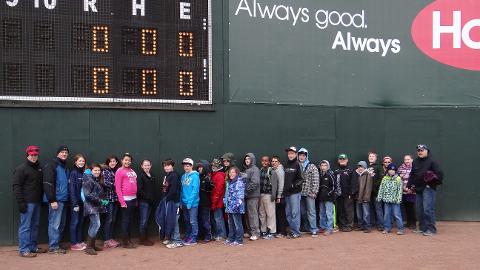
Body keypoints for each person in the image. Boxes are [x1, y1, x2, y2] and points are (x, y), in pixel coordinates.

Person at [12, 145, 46, 258]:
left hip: (37, 202)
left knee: (35, 226)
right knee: (25, 227)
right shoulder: (21, 169)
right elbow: (16, 186)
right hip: (27, 203)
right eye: (32, 154)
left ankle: (33, 247)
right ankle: (24, 250)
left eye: (36, 154)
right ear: (27, 155)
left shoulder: (39, 168)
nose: (34, 156)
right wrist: (21, 202)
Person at [407, 144, 443, 236]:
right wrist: (409, 185)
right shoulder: (415, 161)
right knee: (419, 210)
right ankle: (423, 228)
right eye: (418, 150)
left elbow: (440, 175)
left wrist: (431, 184)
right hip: (418, 188)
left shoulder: (432, 161)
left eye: (422, 150)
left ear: (427, 151)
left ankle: (431, 229)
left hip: (428, 188)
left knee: (428, 209)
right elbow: (412, 174)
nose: (420, 152)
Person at [43, 145, 70, 254]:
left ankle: (56, 244)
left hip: (63, 200)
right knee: (54, 224)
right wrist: (52, 200)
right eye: (62, 152)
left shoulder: (64, 167)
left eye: (66, 153)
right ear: (57, 153)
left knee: (61, 225)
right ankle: (53, 247)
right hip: (55, 200)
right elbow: (47, 183)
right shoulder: (52, 165)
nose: (64, 154)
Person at [156, 159, 183, 249]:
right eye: (165, 165)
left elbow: (173, 191)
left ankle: (177, 241)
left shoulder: (174, 175)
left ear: (172, 166)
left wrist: (167, 199)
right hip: (168, 201)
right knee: (170, 220)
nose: (166, 167)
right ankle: (172, 238)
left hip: (173, 202)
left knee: (174, 220)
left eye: (168, 165)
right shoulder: (168, 176)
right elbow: (165, 189)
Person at [82, 164, 108, 255]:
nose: (97, 172)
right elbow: (88, 194)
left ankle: (91, 245)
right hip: (90, 206)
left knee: (93, 224)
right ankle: (89, 247)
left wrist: (103, 200)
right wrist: (101, 201)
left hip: (95, 206)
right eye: (95, 170)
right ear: (91, 171)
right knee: (96, 224)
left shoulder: (94, 179)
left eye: (98, 170)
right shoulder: (88, 179)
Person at [115, 153, 137, 249]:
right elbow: (118, 188)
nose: (127, 161)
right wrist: (122, 202)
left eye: (129, 160)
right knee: (125, 220)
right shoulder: (119, 171)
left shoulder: (132, 170)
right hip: (125, 200)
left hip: (133, 199)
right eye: (125, 160)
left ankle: (128, 239)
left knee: (130, 220)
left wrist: (136, 199)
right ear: (122, 160)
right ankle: (125, 242)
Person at [377, 163, 405, 235]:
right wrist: (379, 197)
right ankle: (387, 228)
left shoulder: (398, 179)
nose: (391, 171)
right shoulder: (385, 178)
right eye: (390, 170)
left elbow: (399, 190)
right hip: (386, 200)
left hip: (395, 201)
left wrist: (398, 199)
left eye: (393, 170)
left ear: (395, 171)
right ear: (387, 170)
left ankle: (401, 229)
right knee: (386, 215)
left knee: (397, 215)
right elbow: (381, 188)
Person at [297, 148, 320, 237]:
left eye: (303, 155)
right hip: (299, 193)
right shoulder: (296, 165)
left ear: (306, 156)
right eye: (300, 155)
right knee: (302, 212)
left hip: (309, 193)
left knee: (311, 211)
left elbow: (316, 180)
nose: (301, 157)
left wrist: (314, 192)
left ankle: (314, 229)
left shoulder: (312, 166)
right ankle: (307, 228)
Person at [283, 146, 304, 239]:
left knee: (295, 213)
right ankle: (292, 230)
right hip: (287, 193)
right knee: (288, 213)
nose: (290, 155)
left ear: (295, 154)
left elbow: (301, 179)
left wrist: (293, 185)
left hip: (295, 193)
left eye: (292, 153)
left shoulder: (297, 164)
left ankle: (296, 232)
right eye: (289, 153)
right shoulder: (286, 165)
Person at [69, 154, 87, 251]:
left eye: (83, 161)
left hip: (82, 203)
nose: (81, 163)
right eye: (80, 161)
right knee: (74, 222)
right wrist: (74, 203)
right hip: (75, 203)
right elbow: (72, 189)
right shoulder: (73, 173)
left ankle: (79, 241)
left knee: (80, 222)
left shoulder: (83, 173)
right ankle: (73, 243)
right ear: (75, 162)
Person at [101, 155, 120, 248]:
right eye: (111, 161)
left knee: (113, 219)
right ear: (108, 162)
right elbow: (106, 183)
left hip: (116, 199)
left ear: (116, 162)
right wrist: (118, 186)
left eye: (114, 161)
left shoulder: (117, 171)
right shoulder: (105, 171)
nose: (112, 163)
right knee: (109, 219)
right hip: (108, 199)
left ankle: (110, 238)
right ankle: (106, 240)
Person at [180, 158, 200, 246]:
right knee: (187, 221)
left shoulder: (195, 176)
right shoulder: (183, 176)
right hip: (184, 203)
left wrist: (189, 203)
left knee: (193, 221)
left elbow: (195, 191)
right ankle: (188, 236)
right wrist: (181, 202)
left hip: (192, 204)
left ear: (191, 166)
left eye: (188, 166)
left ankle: (194, 238)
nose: (186, 167)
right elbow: (181, 190)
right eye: (184, 166)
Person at [224, 166, 245, 246]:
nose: (231, 174)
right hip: (229, 207)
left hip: (236, 208)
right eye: (230, 172)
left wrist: (235, 206)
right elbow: (227, 194)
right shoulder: (229, 182)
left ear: (236, 173)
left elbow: (240, 196)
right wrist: (225, 202)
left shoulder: (239, 182)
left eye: (233, 172)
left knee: (237, 224)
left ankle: (239, 240)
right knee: (231, 224)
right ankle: (231, 238)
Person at [137, 159, 156, 246]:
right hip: (143, 202)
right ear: (142, 166)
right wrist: (147, 197)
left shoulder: (152, 175)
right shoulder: (141, 176)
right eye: (145, 165)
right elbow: (139, 190)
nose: (147, 167)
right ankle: (142, 239)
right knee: (143, 221)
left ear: (150, 166)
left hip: (150, 202)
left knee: (146, 221)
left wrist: (151, 198)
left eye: (148, 165)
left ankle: (145, 238)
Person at [258, 156, 277, 239]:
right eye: (263, 161)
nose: (264, 162)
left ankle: (272, 232)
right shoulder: (260, 170)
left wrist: (273, 195)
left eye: (266, 161)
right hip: (261, 195)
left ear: (269, 162)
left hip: (269, 195)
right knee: (262, 214)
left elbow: (275, 184)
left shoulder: (272, 171)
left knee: (270, 214)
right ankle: (263, 231)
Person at [243, 153, 261, 241]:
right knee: (247, 215)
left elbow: (255, 183)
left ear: (252, 160)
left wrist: (246, 191)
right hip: (246, 196)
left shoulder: (255, 169)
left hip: (253, 196)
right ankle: (250, 231)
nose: (247, 160)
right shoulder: (246, 170)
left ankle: (256, 233)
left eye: (249, 159)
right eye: (246, 159)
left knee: (253, 215)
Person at [334, 154, 354, 232]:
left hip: (347, 194)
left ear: (347, 160)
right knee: (341, 210)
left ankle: (349, 225)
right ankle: (342, 225)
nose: (342, 160)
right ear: (338, 160)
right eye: (340, 159)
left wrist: (351, 193)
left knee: (348, 210)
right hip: (339, 194)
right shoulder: (336, 170)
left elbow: (353, 182)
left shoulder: (350, 169)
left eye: (344, 159)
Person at [318, 160, 338, 236]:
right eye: (322, 165)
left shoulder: (330, 174)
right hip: (321, 198)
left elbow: (334, 187)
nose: (323, 167)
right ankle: (323, 227)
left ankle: (329, 229)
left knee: (329, 214)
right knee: (321, 213)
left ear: (328, 166)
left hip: (329, 198)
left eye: (325, 165)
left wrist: (328, 194)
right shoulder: (320, 175)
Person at [352, 161, 373, 233]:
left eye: (362, 166)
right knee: (359, 213)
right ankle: (361, 226)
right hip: (358, 197)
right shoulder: (356, 174)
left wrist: (366, 198)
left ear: (365, 167)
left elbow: (368, 187)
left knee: (366, 213)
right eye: (359, 166)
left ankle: (367, 227)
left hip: (364, 198)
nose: (360, 168)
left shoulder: (368, 175)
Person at [196, 160, 214, 243]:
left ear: (205, 167)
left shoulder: (208, 177)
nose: (199, 168)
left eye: (201, 167)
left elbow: (210, 189)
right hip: (198, 202)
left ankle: (208, 235)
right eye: (198, 167)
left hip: (205, 203)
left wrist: (206, 185)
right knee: (199, 219)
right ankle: (201, 235)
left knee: (205, 219)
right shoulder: (197, 176)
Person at [210, 159, 227, 241]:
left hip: (218, 201)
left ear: (219, 167)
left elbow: (219, 190)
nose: (213, 167)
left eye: (215, 166)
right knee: (216, 218)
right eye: (213, 165)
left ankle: (222, 235)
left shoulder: (219, 175)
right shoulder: (213, 174)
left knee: (218, 218)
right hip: (214, 200)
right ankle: (218, 234)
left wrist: (214, 201)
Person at [367, 151, 384, 231]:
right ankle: (371, 224)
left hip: (376, 192)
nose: (371, 157)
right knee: (369, 209)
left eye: (373, 156)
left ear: (376, 158)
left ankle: (381, 225)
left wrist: (374, 187)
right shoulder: (366, 167)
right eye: (370, 156)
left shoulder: (379, 166)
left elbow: (381, 179)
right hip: (367, 192)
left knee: (378, 209)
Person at [398, 154, 416, 229]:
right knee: (406, 207)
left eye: (408, 159)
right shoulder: (400, 168)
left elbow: (416, 179)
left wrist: (411, 188)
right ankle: (408, 222)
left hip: (412, 191)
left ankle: (413, 223)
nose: (407, 161)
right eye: (405, 159)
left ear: (412, 160)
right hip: (403, 191)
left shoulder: (415, 168)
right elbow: (398, 179)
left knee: (411, 207)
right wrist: (403, 188)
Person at [272, 156, 286, 238]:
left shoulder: (280, 171)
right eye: (273, 161)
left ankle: (283, 232)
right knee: (277, 214)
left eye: (276, 161)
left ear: (279, 163)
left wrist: (279, 196)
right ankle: (279, 231)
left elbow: (281, 185)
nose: (274, 162)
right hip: (276, 196)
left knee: (281, 215)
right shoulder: (273, 170)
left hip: (280, 197)